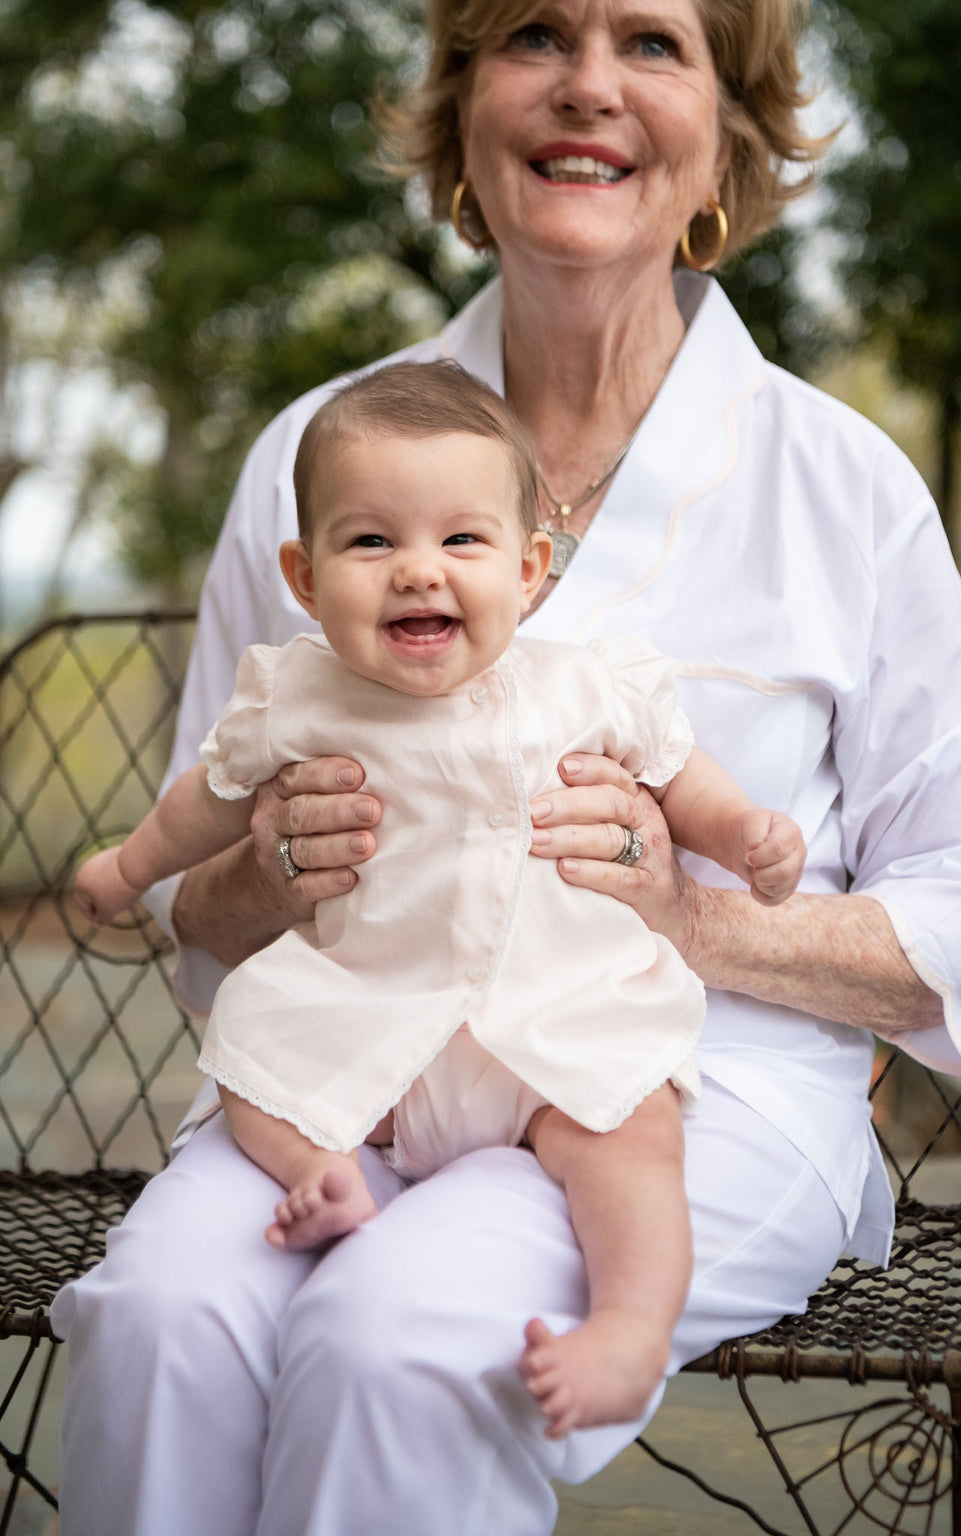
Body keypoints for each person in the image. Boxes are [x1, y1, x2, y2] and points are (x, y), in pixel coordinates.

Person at [51, 1, 961, 1532]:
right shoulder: (317, 454)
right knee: (161, 1320)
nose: (588, 85)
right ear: (461, 109)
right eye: (533, 36)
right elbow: (200, 909)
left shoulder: (841, 487)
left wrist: (698, 916)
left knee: (407, 1338)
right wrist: (259, 873)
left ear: (728, 125)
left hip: (669, 1091)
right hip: (348, 1074)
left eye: (653, 41)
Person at [74, 359, 807, 1438]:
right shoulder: (297, 693)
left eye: (460, 541)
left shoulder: (585, 684)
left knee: (636, 1139)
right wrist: (130, 867)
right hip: (366, 1016)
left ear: (530, 568)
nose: (418, 572)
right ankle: (322, 1176)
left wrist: (742, 834)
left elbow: (674, 774)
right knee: (256, 1067)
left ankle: (628, 1329)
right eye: (371, 541)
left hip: (552, 1026)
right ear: (305, 574)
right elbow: (208, 801)